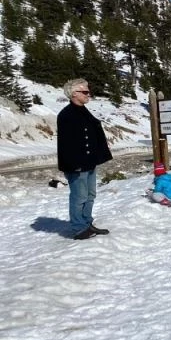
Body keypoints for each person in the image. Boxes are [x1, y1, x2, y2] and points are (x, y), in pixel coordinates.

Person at [56, 78, 113, 240]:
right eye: (85, 92)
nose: (89, 94)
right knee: (79, 196)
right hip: (77, 164)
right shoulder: (66, 115)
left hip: (89, 162)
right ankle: (79, 228)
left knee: (90, 194)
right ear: (74, 94)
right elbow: (66, 145)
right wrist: (74, 164)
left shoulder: (83, 110)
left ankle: (86, 223)